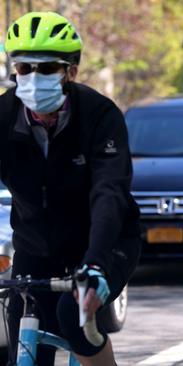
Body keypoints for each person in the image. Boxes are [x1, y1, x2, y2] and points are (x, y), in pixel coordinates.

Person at [0, 11, 141, 365]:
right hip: (36, 245)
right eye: (24, 69)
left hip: (103, 242)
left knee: (73, 317)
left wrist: (95, 264)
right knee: (24, 337)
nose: (33, 78)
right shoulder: (2, 115)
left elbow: (109, 194)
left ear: (71, 72)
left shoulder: (100, 115)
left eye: (47, 69)